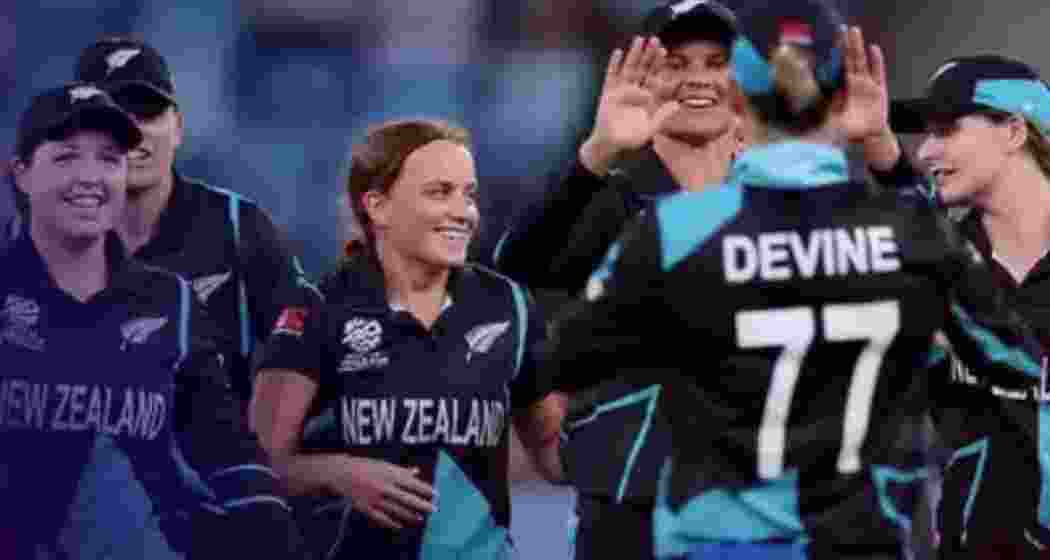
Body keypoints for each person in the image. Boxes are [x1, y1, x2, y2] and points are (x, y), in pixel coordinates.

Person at [542, 0, 1045, 558]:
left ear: (737, 97)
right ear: (843, 98)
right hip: (861, 538)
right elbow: (1013, 359)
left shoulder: (677, 231)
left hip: (720, 540)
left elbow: (563, 359)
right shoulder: (910, 229)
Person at [492, 1, 921, 558]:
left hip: (771, 506)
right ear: (642, 77)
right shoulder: (608, 199)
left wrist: (883, 152)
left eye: (716, 62)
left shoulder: (788, 197)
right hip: (632, 503)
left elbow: (924, 260)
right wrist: (598, 152)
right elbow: (513, 274)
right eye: (675, 63)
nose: (697, 78)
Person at [0, 83, 301, 559]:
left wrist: (270, 535)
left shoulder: (170, 303)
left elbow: (226, 453)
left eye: (108, 159)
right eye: (66, 158)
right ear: (20, 174)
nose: (90, 177)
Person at [250, 118, 566, 559]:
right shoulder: (318, 309)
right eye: (439, 192)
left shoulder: (507, 303)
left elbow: (553, 453)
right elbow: (256, 465)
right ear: (377, 207)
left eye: (469, 194)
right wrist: (337, 472)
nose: (463, 211)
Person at [67, 35, 317, 403]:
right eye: (113, 116)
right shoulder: (39, 237)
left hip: (212, 456)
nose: (133, 132)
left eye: (148, 113)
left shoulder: (236, 226)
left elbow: (310, 329)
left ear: (178, 127)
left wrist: (270, 427)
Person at [887, 54, 1050, 559]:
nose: (925, 151)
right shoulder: (930, 274)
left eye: (947, 130)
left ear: (1014, 131)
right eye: (924, 135)